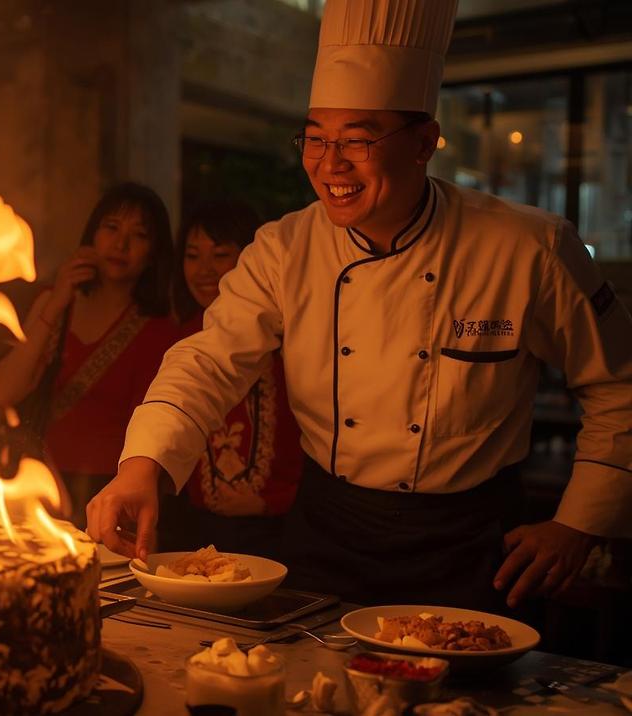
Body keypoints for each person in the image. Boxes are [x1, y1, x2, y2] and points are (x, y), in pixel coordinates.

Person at [88, 0, 632, 612]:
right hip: (330, 532)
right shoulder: (284, 248)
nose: (330, 164)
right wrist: (143, 464)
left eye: (357, 139)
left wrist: (579, 522)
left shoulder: (529, 247)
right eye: (316, 138)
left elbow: (618, 383)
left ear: (424, 142)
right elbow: (209, 361)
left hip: (471, 544)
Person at [0, 182, 180, 525]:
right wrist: (56, 302)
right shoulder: (55, 302)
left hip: (109, 491)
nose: (121, 244)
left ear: (153, 253)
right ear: (92, 234)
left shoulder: (159, 331)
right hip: (37, 480)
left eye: (138, 235)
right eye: (111, 228)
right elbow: (5, 391)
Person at [157, 201, 304, 559]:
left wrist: (271, 502)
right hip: (195, 530)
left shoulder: (292, 340)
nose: (204, 270)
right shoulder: (180, 339)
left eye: (220, 254)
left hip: (282, 529)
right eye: (192, 256)